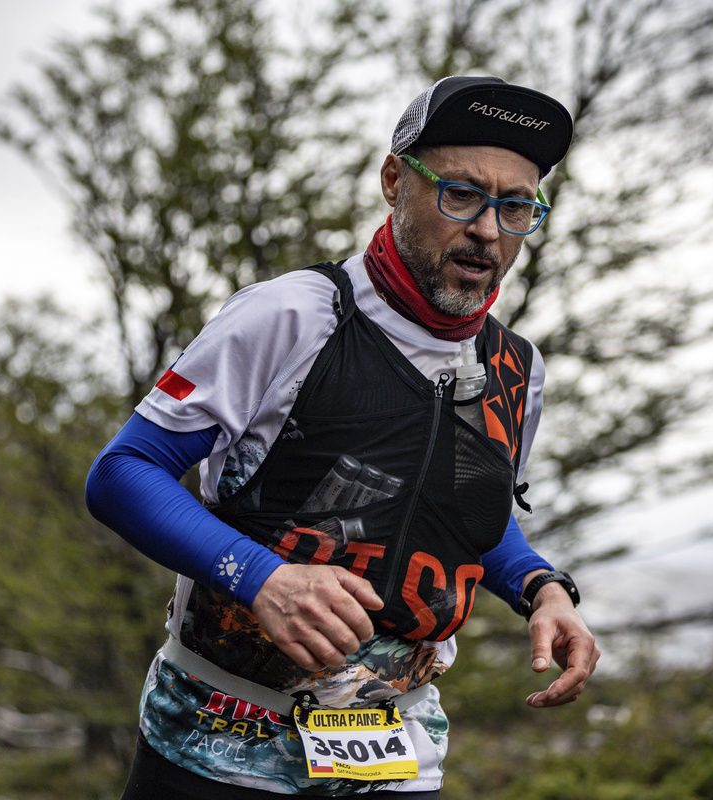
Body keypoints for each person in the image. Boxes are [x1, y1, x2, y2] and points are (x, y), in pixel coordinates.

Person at [86, 75, 600, 799]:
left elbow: (469, 518)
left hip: (395, 747)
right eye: (461, 194)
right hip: (220, 736)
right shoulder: (292, 316)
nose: (488, 230)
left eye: (515, 206)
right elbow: (123, 472)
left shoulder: (517, 368)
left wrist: (542, 590)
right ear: (395, 181)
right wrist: (262, 579)